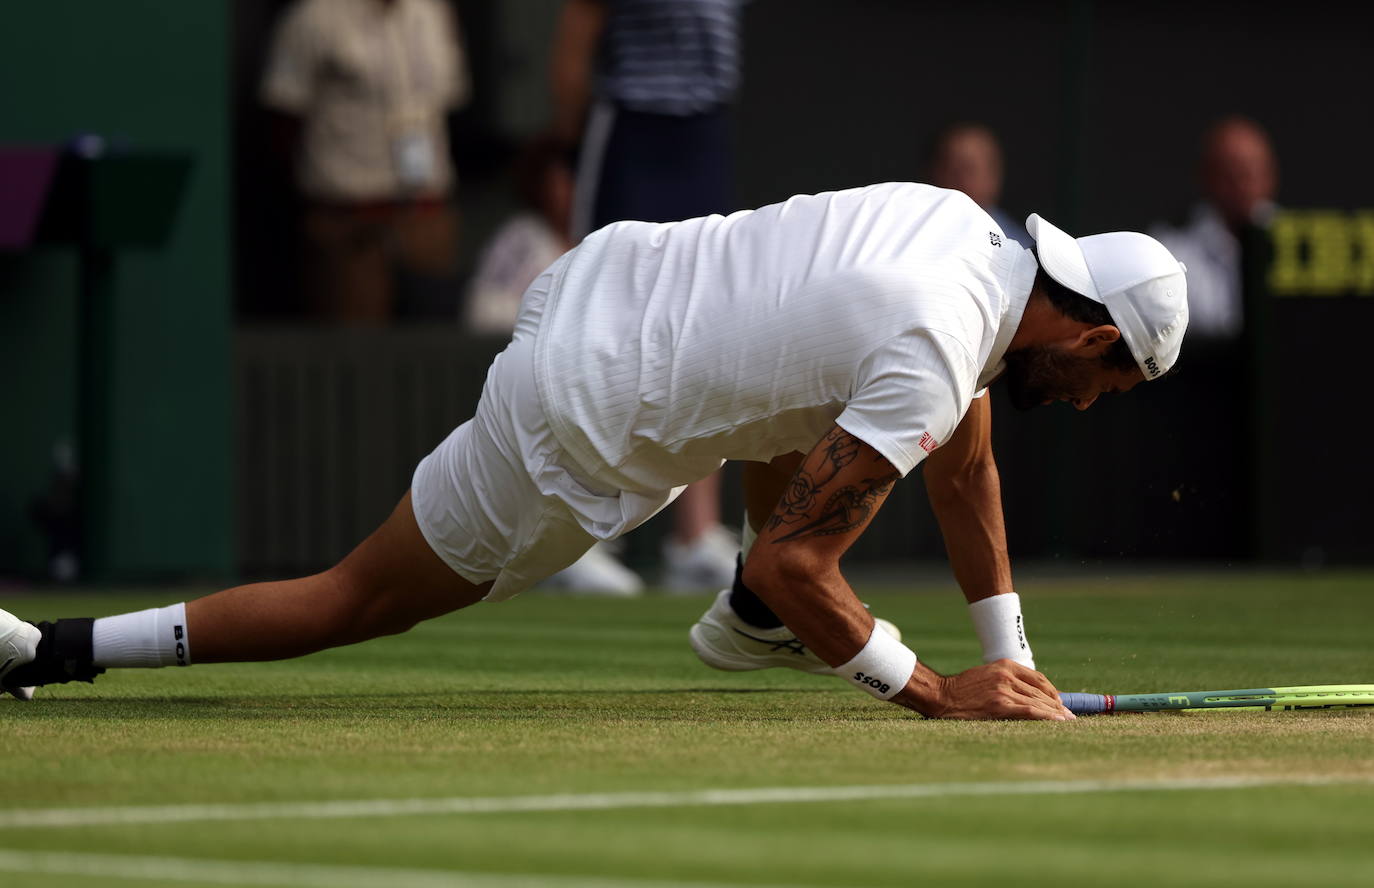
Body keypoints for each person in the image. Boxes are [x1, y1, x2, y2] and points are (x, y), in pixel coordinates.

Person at [2, 183, 1188, 721]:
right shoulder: (939, 347)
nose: (1087, 405)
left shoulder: (964, 241)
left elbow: (966, 466)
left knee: (850, 420)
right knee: (352, 599)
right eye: (1104, 382)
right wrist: (940, 692)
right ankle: (45, 653)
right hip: (578, 424)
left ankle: (745, 629)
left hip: (595, 288)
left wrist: (1014, 653)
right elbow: (800, 559)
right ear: (1086, 334)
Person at [547, 0, 747, 592]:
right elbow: (577, 34)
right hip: (630, 128)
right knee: (606, 322)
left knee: (706, 325)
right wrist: (567, 148)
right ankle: (572, 532)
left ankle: (693, 537)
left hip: (704, 130)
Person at [261, 0, 471, 323]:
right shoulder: (313, 16)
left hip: (426, 217)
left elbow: (450, 102)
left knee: (432, 352)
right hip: (351, 224)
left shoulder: (432, 13)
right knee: (357, 357)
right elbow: (283, 118)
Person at [1150, 115, 1278, 341]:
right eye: (1229, 172)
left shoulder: (1297, 243)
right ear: (1205, 176)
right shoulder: (1169, 252)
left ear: (1270, 175)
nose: (1241, 183)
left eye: (1250, 171)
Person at [926, 122, 1032, 249]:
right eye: (949, 168)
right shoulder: (911, 228)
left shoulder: (1020, 249)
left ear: (994, 176)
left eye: (969, 169)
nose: (960, 179)